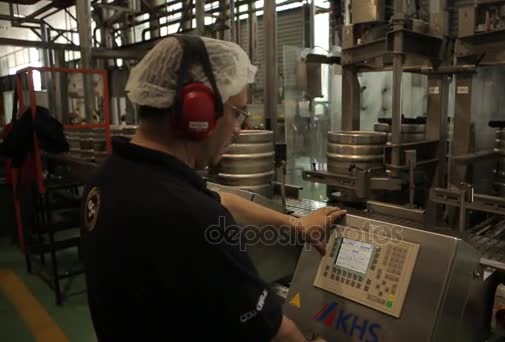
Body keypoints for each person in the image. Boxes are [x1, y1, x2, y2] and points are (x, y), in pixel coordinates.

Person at [80, 35, 345, 341]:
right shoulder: (192, 219)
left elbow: (220, 199)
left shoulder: (108, 179)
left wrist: (297, 225)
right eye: (238, 113)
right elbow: (276, 333)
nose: (239, 129)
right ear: (198, 110)